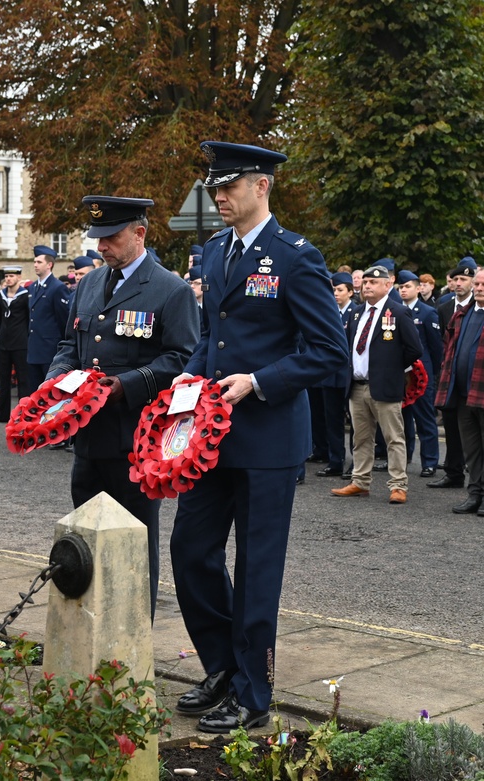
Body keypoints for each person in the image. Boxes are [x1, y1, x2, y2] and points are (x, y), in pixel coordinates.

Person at [169, 142, 349, 733]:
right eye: (214, 187)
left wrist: (260, 381)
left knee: (256, 569)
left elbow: (327, 352)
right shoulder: (217, 250)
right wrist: (186, 386)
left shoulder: (296, 257)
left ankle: (253, 691)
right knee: (190, 552)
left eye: (230, 186)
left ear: (262, 186)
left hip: (268, 439)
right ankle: (222, 666)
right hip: (211, 436)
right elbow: (211, 339)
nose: (219, 197)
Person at [47, 195, 199, 618]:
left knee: (133, 544)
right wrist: (54, 380)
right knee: (85, 541)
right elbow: (69, 344)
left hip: (136, 442)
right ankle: (88, 628)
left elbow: (182, 359)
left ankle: (133, 639)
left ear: (139, 233)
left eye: (111, 237)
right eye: (97, 237)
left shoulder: (171, 290)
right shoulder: (91, 284)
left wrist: (125, 385)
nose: (102, 247)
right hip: (88, 438)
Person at [331, 266, 422, 503]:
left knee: (394, 438)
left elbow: (414, 349)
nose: (367, 286)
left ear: (387, 286)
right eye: (366, 282)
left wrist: (391, 369)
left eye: (373, 282)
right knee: (360, 438)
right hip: (358, 386)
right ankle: (360, 481)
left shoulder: (398, 312)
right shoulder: (356, 313)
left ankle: (398, 485)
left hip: (385, 386)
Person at [434, 268, 484, 515]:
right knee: (472, 450)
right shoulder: (462, 315)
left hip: (482, 394)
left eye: (483, 283)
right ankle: (475, 494)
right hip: (464, 394)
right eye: (477, 283)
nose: (479, 287)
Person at [430, 263, 475, 489]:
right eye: (455, 279)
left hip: (471, 377)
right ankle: (453, 472)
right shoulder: (444, 307)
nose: (459, 284)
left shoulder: (478, 307)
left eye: (464, 280)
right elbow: (440, 344)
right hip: (449, 376)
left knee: (472, 428)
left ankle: (476, 478)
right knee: (450, 424)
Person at [396, 269, 442, 477]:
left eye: (407, 287)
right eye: (401, 287)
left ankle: (430, 461)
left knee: (425, 420)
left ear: (418, 288)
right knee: (402, 421)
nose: (404, 290)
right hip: (400, 373)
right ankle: (403, 460)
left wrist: (432, 375)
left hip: (422, 375)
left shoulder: (427, 312)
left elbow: (435, 348)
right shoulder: (395, 311)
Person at [315, 272, 360, 478]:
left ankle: (356, 464)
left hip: (347, 375)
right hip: (329, 374)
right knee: (332, 420)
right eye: (333, 289)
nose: (335, 293)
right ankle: (335, 461)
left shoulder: (356, 313)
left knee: (354, 422)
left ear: (350, 292)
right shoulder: (327, 311)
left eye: (340, 290)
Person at [0, 265, 30, 422]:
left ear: (18, 277)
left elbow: (29, 318)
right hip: (3, 344)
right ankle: (3, 413)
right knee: (4, 381)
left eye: (12, 276)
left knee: (23, 381)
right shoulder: (0, 295)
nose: (9, 278)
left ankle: (23, 414)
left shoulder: (26, 295)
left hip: (20, 343)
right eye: (7, 276)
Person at [26, 245, 70, 391]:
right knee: (34, 393)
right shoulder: (32, 288)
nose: (35, 265)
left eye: (39, 262)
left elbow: (63, 320)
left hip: (49, 351)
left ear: (49, 265)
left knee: (49, 394)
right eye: (34, 262)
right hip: (34, 349)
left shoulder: (57, 287)